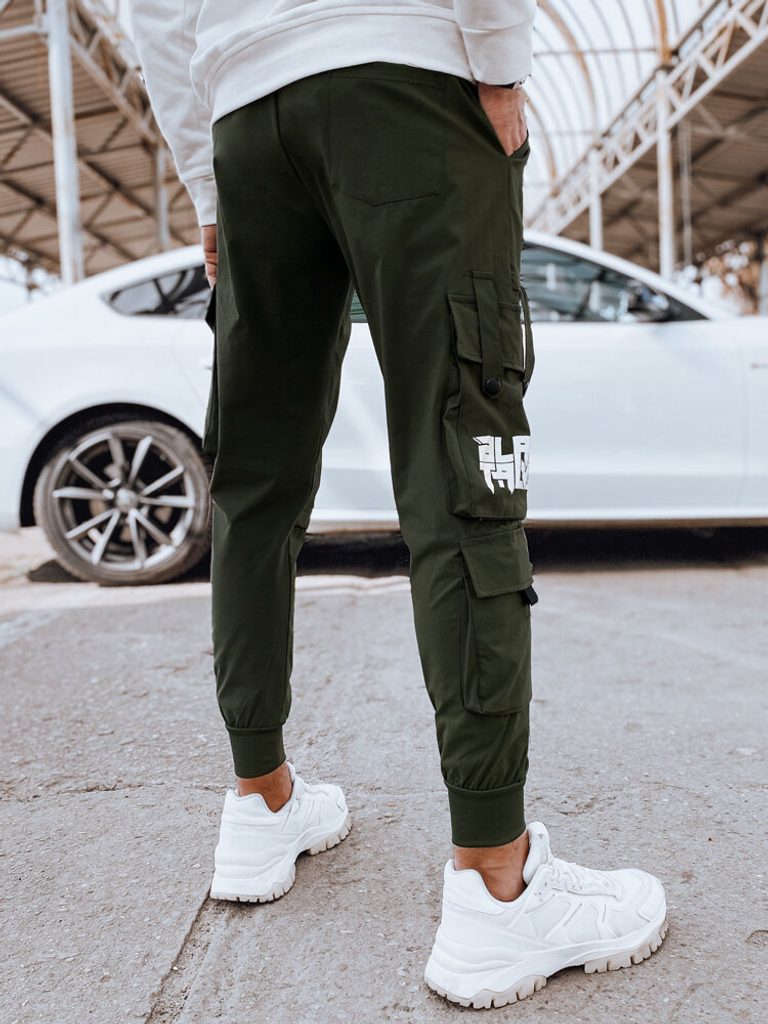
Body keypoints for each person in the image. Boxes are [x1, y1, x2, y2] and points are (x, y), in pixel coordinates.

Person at [129, 0, 667, 1008]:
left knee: (253, 481)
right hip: (403, 75)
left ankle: (259, 800)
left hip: (244, 116)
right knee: (460, 460)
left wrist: (207, 180)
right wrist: (498, 60)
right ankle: (497, 886)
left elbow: (150, 6)